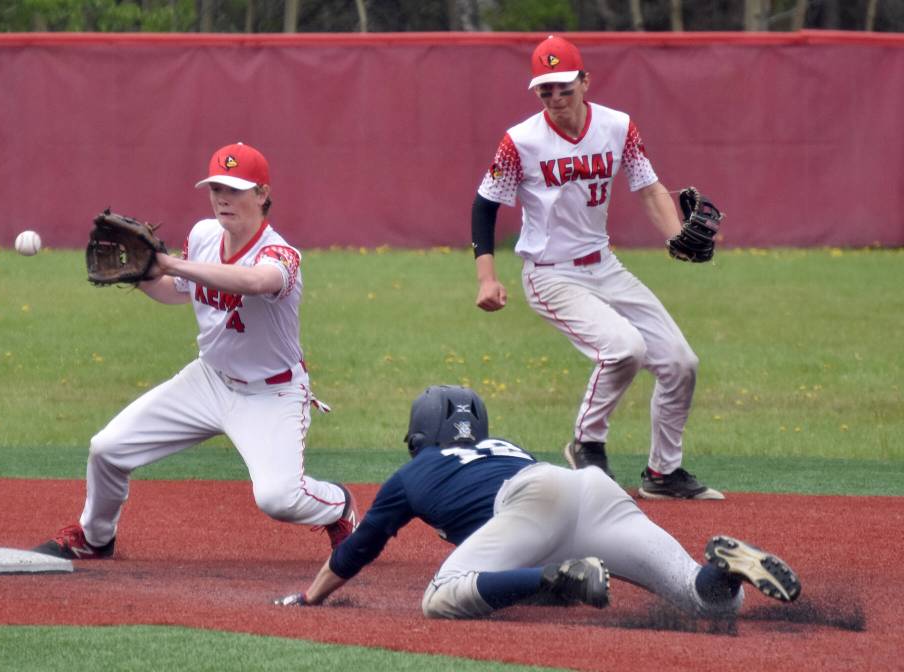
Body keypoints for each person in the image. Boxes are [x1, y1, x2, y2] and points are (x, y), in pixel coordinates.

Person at [35, 142, 357, 559]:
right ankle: (94, 537)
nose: (223, 198)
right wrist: (144, 277)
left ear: (262, 194)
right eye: (216, 187)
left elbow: (255, 282)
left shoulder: (281, 254)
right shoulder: (204, 235)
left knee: (279, 498)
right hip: (209, 381)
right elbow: (176, 292)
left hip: (270, 393)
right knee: (108, 449)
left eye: (235, 188)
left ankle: (339, 506)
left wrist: (169, 263)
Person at [274, 385, 800, 619]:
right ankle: (727, 570)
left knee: (439, 597)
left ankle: (558, 577)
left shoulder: (412, 474)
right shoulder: (503, 448)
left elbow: (358, 548)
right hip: (586, 486)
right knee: (704, 601)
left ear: (419, 433)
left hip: (533, 504)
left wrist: (313, 595)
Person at [471, 35, 722, 499]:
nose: (555, 98)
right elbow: (485, 205)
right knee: (623, 348)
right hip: (549, 272)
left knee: (681, 362)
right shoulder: (520, 141)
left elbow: (648, 188)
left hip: (603, 265)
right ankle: (587, 442)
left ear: (585, 81)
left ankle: (663, 474)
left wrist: (674, 237)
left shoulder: (617, 126)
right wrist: (487, 277)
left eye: (564, 87)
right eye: (545, 90)